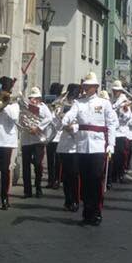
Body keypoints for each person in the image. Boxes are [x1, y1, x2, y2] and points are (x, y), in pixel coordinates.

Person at [61, 72, 117, 225]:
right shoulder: (79, 103)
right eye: (84, 86)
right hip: (82, 146)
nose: (86, 89)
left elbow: (112, 124)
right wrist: (65, 119)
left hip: (98, 146)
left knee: (96, 180)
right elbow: (71, 115)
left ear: (96, 87)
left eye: (89, 86)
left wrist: (111, 144)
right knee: (84, 181)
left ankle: (97, 211)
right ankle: (87, 211)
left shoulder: (104, 103)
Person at [20, 87, 53, 198]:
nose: (33, 100)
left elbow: (49, 118)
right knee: (25, 165)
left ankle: (38, 187)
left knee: (38, 164)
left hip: (38, 139)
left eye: (35, 98)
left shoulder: (43, 108)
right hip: (26, 139)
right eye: (31, 98)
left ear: (39, 99)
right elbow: (21, 120)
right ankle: (27, 190)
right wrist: (24, 123)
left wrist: (38, 128)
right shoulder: (26, 108)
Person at [55, 83, 82, 211]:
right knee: (66, 175)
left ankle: (76, 200)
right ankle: (68, 200)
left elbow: (84, 123)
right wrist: (59, 119)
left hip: (77, 144)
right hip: (64, 144)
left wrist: (73, 127)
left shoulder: (80, 105)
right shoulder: (62, 105)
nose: (72, 97)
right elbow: (56, 125)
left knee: (75, 174)